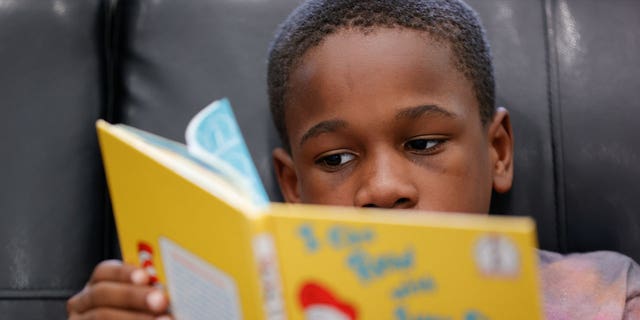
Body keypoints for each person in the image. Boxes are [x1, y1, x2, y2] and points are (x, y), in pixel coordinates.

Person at [66, 0, 640, 319]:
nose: (384, 188)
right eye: (337, 158)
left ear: (497, 151)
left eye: (423, 145)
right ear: (292, 186)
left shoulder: (607, 295)